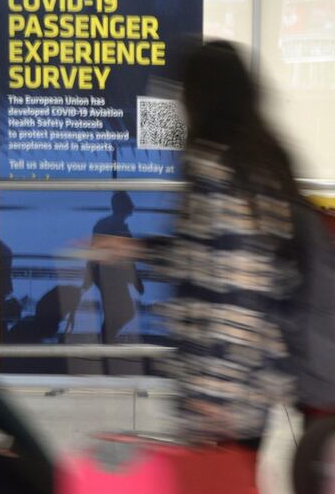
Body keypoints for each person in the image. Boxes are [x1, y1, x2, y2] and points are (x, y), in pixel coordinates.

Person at [99, 40, 300, 448]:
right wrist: (137, 250)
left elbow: (240, 288)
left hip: (221, 387)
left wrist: (213, 391)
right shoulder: (263, 161)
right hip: (252, 377)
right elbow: (210, 257)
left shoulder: (215, 170)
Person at [83, 191, 144, 344]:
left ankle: (106, 341)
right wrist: (137, 282)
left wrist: (90, 274)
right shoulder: (119, 228)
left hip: (103, 275)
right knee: (124, 312)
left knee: (116, 312)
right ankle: (106, 342)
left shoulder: (103, 224)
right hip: (112, 276)